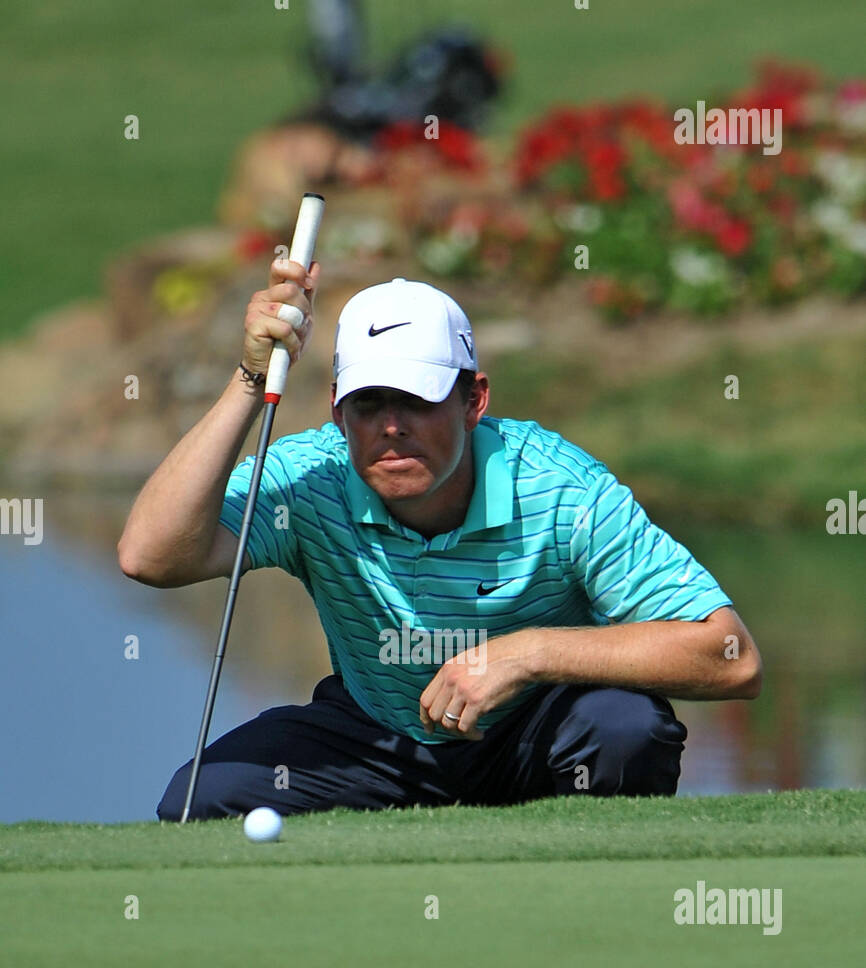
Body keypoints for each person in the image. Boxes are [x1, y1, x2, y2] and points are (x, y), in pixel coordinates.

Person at [117, 257, 762, 820]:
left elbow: (732, 655)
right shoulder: (309, 477)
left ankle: (591, 923)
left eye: (417, 401)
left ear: (472, 400)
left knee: (624, 730)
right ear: (339, 409)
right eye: (369, 405)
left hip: (535, 737)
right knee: (204, 797)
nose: (391, 429)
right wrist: (251, 380)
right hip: (377, 739)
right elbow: (150, 556)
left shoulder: (562, 489)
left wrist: (528, 654)